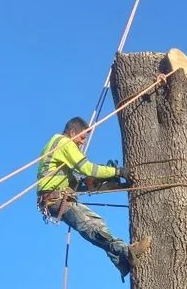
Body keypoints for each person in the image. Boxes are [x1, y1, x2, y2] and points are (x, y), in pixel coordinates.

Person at [37, 117, 149, 279]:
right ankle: (127, 251)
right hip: (56, 199)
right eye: (82, 137)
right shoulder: (64, 142)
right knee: (92, 227)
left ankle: (122, 262)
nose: (82, 142)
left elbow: (69, 178)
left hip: (57, 198)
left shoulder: (55, 144)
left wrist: (89, 181)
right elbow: (88, 169)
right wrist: (118, 172)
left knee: (98, 223)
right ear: (72, 132)